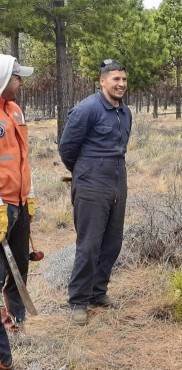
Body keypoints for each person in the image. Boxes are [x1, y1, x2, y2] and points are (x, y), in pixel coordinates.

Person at [58, 59, 132, 325]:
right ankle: (78, 300)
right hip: (91, 183)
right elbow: (67, 148)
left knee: (113, 242)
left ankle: (98, 292)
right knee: (89, 244)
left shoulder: (125, 112)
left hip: (117, 180)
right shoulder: (86, 109)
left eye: (124, 79)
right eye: (115, 79)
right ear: (102, 81)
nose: (121, 84)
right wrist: (85, 172)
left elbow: (121, 147)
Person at [0, 54, 35, 369]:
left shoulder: (15, 110)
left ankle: (16, 318)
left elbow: (23, 157)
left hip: (20, 202)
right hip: (0, 205)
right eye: (17, 77)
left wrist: (30, 192)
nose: (21, 82)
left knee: (19, 265)